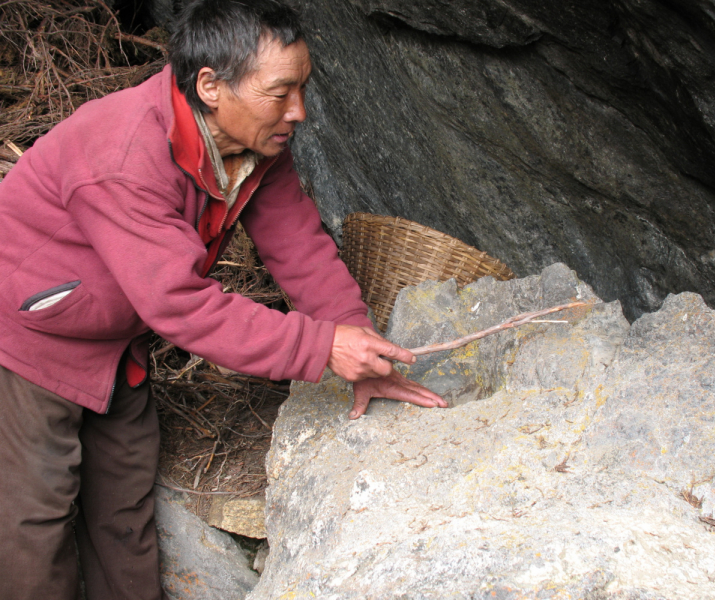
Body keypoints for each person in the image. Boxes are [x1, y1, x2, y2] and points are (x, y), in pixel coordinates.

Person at [0, 1, 446, 598]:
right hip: (33, 338)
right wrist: (320, 346)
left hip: (118, 338)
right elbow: (180, 304)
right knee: (35, 519)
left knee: (124, 512)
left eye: (303, 88)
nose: (300, 111)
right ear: (210, 85)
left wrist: (354, 339)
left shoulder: (252, 140)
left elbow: (299, 247)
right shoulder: (123, 157)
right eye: (281, 91)